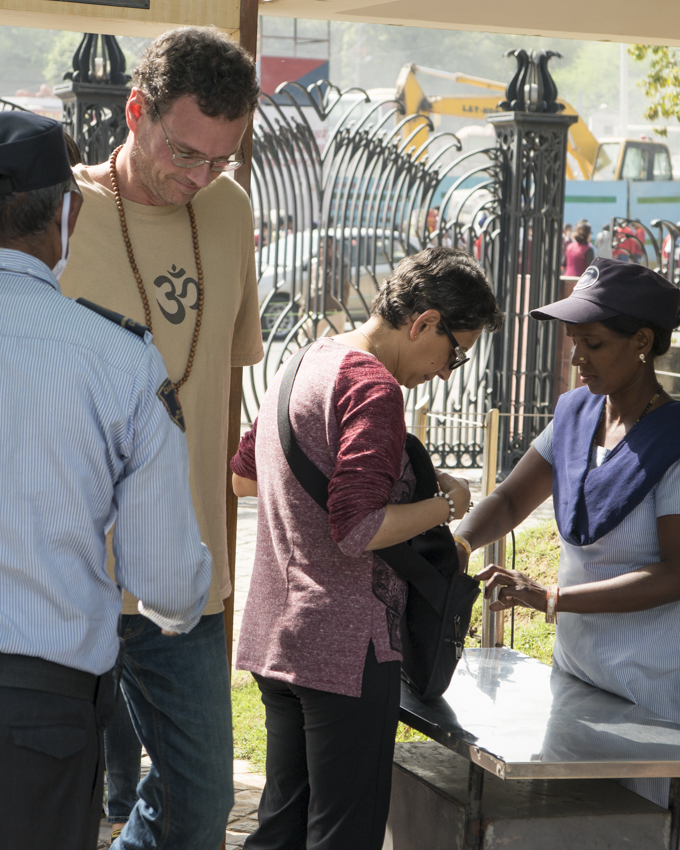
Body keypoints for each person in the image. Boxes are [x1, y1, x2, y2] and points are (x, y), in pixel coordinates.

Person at [58, 26, 264, 850]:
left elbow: (225, 382)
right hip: (64, 570)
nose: (198, 177)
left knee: (201, 802)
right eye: (184, 151)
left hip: (182, 576)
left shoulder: (229, 208)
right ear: (135, 113)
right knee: (49, 803)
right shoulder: (56, 213)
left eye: (221, 158)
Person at [231, 247, 504, 850]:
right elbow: (357, 529)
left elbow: (245, 477)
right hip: (347, 646)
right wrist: (445, 508)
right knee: (343, 834)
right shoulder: (374, 388)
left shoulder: (304, 361)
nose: (445, 371)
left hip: (278, 635)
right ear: (424, 322)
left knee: (281, 827)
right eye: (455, 353)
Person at [0, 112, 211, 850]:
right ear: (68, 212)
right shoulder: (118, 360)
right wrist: (181, 610)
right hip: (39, 713)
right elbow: (166, 579)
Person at [454, 257, 680, 808]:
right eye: (572, 340)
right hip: (577, 674)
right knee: (569, 817)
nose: (577, 357)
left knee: (633, 824)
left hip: (648, 687)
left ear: (642, 341)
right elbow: (510, 499)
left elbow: (676, 574)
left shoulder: (672, 443)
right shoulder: (575, 416)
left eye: (594, 343)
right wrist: (455, 543)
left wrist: (551, 598)